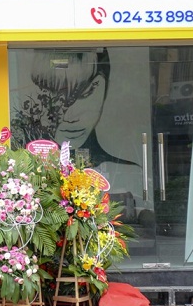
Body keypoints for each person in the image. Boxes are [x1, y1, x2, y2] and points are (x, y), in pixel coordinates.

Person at [14, 48, 143, 203]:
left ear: (106, 88)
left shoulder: (127, 174)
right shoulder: (19, 173)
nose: (70, 116)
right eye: (53, 95)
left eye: (86, 93)